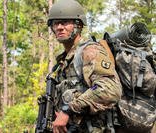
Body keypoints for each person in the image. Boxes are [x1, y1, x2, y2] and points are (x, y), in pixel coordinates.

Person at [47, 0, 122, 132]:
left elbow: (109, 88)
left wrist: (68, 110)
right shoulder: (61, 64)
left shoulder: (89, 51)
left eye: (64, 22)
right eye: (55, 23)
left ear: (79, 25)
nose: (59, 27)